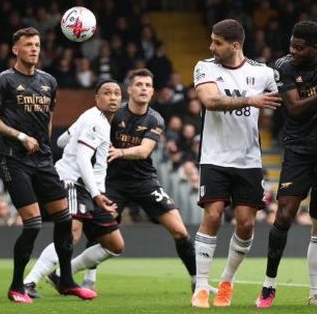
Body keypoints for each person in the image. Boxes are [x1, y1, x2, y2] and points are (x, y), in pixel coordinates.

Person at [0, 27, 94, 303]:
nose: (34, 49)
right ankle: (17, 287)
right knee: (32, 224)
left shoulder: (49, 81)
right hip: (14, 160)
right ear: (15, 50)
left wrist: (41, 142)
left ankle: (66, 281)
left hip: (43, 160)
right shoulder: (4, 80)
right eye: (28, 45)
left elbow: (49, 118)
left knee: (65, 221)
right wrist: (20, 136)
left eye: (37, 45)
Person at [255, 21, 317, 308]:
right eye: (291, 44)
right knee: (283, 215)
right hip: (298, 149)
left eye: (299, 46)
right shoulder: (284, 66)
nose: (292, 50)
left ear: (316, 48)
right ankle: (269, 285)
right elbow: (294, 109)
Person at [191, 19, 281, 308]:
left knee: (245, 224)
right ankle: (202, 286)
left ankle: (227, 281)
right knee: (213, 216)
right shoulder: (205, 67)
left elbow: (284, 98)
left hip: (249, 160)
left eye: (217, 42)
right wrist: (250, 101)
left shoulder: (263, 73)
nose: (211, 47)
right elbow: (210, 101)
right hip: (215, 157)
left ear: (235, 45)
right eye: (212, 41)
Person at [82, 69, 198, 292]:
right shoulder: (115, 115)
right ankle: (90, 277)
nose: (144, 88)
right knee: (102, 230)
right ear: (130, 89)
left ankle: (197, 282)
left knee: (180, 231)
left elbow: (145, 151)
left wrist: (121, 152)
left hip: (145, 181)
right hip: (114, 182)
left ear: (152, 91)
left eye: (148, 85)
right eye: (139, 85)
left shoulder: (155, 119)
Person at [22, 80, 123, 298]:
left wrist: (75, 133)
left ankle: (59, 276)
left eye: (117, 93)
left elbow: (60, 141)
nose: (113, 97)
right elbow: (83, 158)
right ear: (97, 98)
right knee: (71, 233)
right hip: (73, 181)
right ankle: (29, 282)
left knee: (114, 245)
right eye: (107, 93)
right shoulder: (96, 122)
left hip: (88, 187)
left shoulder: (89, 117)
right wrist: (97, 195)